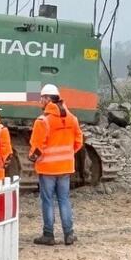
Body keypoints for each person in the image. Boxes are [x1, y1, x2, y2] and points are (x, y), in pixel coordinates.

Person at [29, 83, 82, 245]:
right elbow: (78, 141)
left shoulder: (43, 121)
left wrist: (32, 158)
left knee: (47, 201)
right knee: (64, 199)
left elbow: (36, 147)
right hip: (65, 167)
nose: (40, 101)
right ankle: (69, 234)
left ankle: (48, 235)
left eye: (41, 98)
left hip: (47, 168)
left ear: (47, 99)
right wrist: (66, 155)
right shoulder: (72, 119)